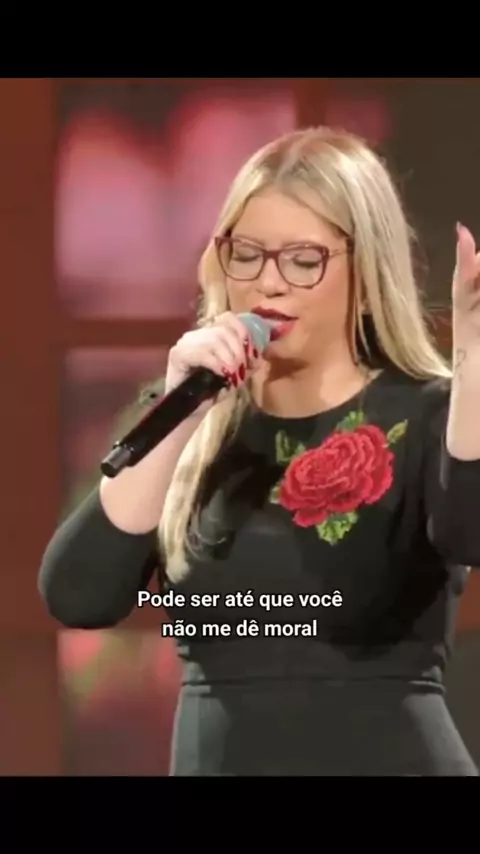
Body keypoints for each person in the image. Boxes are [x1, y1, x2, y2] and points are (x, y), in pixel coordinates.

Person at [38, 126, 480, 776]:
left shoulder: (429, 412)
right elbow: (78, 595)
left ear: (366, 271)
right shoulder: (191, 420)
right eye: (245, 255)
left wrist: (475, 369)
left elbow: (470, 532)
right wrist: (184, 408)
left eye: (303, 260)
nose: (269, 283)